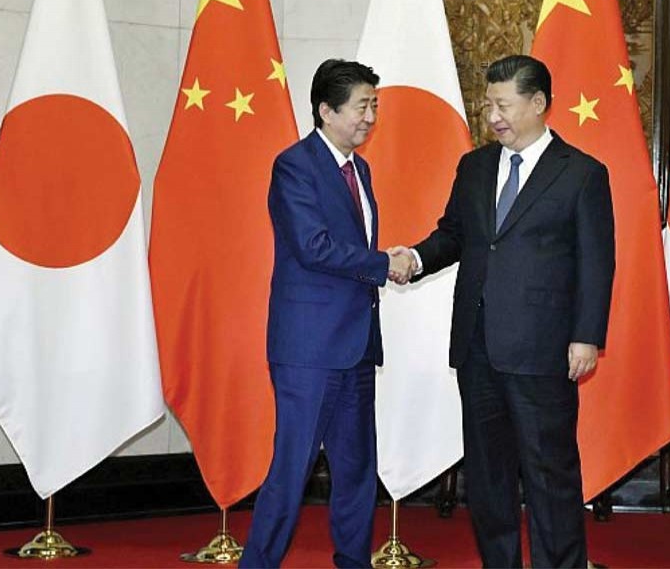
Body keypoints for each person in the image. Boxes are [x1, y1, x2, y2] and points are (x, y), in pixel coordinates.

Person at [390, 55, 615, 568]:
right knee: (488, 478)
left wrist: (586, 335)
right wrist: (417, 257)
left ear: (538, 104)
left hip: (542, 349)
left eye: (503, 104)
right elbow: (455, 234)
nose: (492, 115)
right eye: (488, 104)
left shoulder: (581, 173)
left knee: (549, 475)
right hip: (477, 346)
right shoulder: (475, 166)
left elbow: (597, 262)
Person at [240, 59, 413, 569]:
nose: (370, 118)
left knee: (357, 469)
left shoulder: (361, 170)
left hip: (357, 344)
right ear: (326, 110)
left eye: (374, 106)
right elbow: (314, 247)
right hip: (309, 350)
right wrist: (386, 264)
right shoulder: (294, 165)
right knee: (292, 469)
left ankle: (354, 562)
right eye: (363, 106)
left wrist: (384, 264)